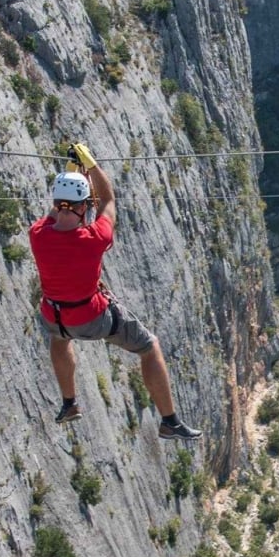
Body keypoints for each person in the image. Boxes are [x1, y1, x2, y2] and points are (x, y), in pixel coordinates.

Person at [28, 142, 201, 440]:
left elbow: (54, 216)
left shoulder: (37, 235)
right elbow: (108, 199)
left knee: (59, 340)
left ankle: (69, 403)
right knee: (149, 346)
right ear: (84, 207)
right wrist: (91, 167)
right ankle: (169, 420)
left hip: (55, 317)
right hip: (92, 318)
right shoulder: (94, 237)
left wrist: (71, 175)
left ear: (57, 204)